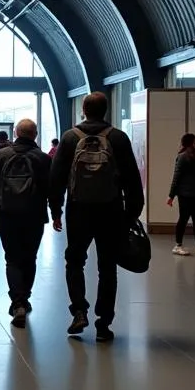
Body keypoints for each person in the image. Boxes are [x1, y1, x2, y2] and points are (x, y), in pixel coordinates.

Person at [49, 91, 144, 343]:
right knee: (107, 266)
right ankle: (104, 323)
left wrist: (55, 210)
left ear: (83, 109)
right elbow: (133, 181)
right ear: (106, 110)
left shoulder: (70, 138)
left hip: (78, 209)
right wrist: (130, 215)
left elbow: (56, 178)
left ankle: (79, 310)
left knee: (74, 260)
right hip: (110, 209)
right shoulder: (118, 138)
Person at [0, 119, 51, 327]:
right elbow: (52, 188)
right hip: (34, 216)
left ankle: (17, 302)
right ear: (35, 135)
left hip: (7, 215)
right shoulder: (42, 158)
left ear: (15, 133)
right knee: (29, 257)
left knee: (12, 259)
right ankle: (25, 298)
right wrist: (55, 211)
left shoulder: (0, 156)